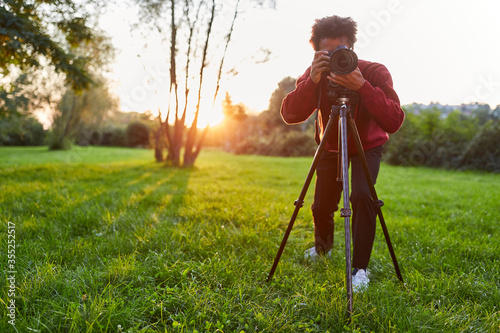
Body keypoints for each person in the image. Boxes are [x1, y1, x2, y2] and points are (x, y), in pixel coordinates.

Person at [280, 15, 405, 291]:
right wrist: (311, 81)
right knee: (322, 204)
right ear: (317, 53)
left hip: (367, 144)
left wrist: (362, 87)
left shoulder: (374, 72)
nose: (334, 58)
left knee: (362, 196)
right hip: (330, 144)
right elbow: (289, 114)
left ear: (351, 48)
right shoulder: (315, 72)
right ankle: (323, 248)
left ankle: (360, 268)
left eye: (340, 52)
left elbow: (394, 120)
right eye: (326, 53)